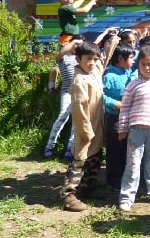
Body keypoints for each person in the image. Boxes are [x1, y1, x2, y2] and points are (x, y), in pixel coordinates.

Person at [117, 45, 150, 212]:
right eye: (143, 64)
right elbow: (125, 107)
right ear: (138, 66)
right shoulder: (133, 84)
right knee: (132, 164)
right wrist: (123, 128)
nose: (147, 67)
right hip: (136, 131)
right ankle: (126, 197)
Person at [60, 41, 104, 212]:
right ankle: (68, 196)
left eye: (94, 59)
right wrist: (86, 131)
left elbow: (103, 60)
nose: (92, 62)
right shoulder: (79, 79)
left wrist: (113, 40)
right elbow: (78, 109)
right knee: (80, 160)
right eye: (88, 59)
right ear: (78, 59)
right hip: (86, 128)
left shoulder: (94, 72)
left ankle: (88, 188)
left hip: (97, 125)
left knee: (95, 159)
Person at [103, 43, 138, 191]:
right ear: (120, 59)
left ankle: (126, 175)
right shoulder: (109, 76)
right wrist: (113, 103)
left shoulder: (130, 73)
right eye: (130, 57)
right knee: (114, 148)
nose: (133, 60)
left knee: (126, 148)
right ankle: (113, 180)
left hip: (129, 117)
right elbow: (99, 95)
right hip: (114, 118)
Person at [45, 37, 83, 159]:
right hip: (67, 92)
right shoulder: (63, 57)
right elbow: (57, 61)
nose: (77, 47)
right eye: (75, 45)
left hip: (80, 93)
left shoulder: (82, 58)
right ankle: (49, 146)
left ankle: (70, 148)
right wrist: (73, 43)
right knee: (62, 116)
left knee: (76, 121)